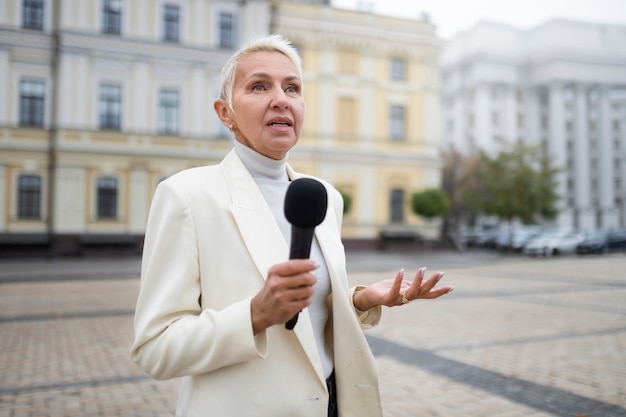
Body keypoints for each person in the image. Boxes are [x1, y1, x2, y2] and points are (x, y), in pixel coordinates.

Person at [130, 34, 454, 417]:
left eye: (293, 88)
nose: (281, 98)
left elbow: (306, 324)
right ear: (225, 112)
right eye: (259, 86)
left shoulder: (323, 197)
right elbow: (156, 349)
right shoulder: (186, 196)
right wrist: (254, 314)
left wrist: (358, 302)